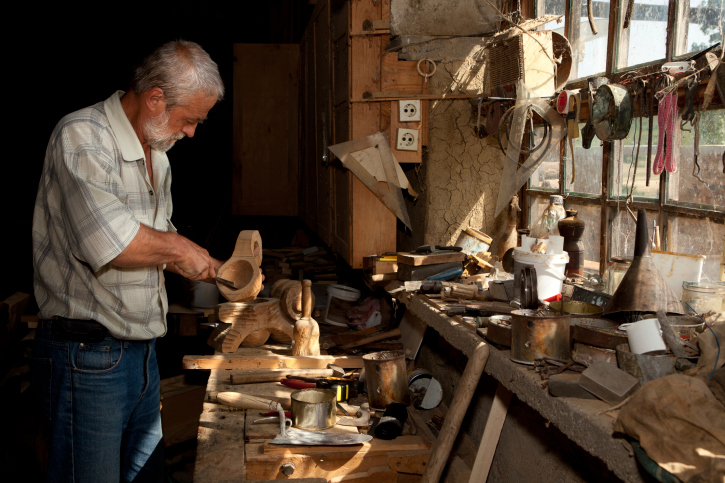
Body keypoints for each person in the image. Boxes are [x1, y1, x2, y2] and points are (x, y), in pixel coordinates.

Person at [31, 40, 224, 483]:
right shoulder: (82, 136)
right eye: (190, 119)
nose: (192, 132)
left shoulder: (158, 152)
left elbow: (153, 242)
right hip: (88, 358)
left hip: (142, 357)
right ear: (156, 97)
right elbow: (112, 242)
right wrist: (181, 249)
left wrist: (204, 263)